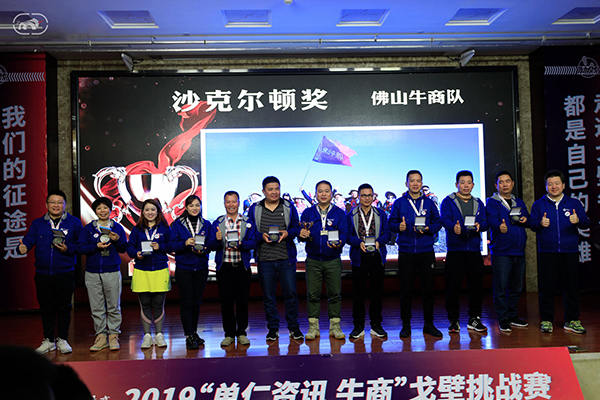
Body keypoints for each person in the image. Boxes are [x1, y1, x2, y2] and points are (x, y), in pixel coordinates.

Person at [19, 190, 82, 354]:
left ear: (65, 205)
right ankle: (48, 340)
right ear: (47, 205)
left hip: (65, 272)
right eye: (52, 202)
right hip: (43, 273)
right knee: (46, 307)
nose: (56, 205)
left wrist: (68, 248)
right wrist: (22, 248)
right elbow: (27, 241)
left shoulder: (74, 223)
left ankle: (62, 339)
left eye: (59, 202)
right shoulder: (38, 224)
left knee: (64, 307)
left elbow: (81, 245)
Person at [529, 169, 590, 334]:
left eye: (557, 183)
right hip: (547, 252)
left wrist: (578, 220)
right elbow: (531, 224)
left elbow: (586, 222)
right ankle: (546, 320)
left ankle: (572, 320)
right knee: (546, 287)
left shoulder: (574, 203)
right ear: (546, 186)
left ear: (563, 185)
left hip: (569, 251)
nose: (554, 186)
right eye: (550, 184)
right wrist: (540, 223)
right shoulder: (539, 204)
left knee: (571, 287)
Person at [248, 176, 303, 342]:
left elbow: (296, 228)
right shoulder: (255, 208)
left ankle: (294, 328)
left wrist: (288, 233)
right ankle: (273, 329)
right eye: (270, 189)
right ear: (263, 191)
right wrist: (260, 236)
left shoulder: (288, 206)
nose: (274, 192)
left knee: (291, 294)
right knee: (268, 296)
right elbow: (250, 230)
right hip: (265, 259)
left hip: (286, 258)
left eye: (277, 188)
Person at [389, 170, 443, 338]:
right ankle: (406, 326)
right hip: (406, 252)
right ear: (406, 183)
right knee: (406, 290)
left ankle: (429, 325)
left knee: (428, 290)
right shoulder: (399, 203)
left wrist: (428, 229)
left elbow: (438, 222)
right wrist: (399, 227)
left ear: (422, 183)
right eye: (411, 180)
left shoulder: (429, 203)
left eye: (418, 180)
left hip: (426, 252)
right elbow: (391, 223)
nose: (415, 183)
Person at [440, 170, 488, 334]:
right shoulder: (448, 201)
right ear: (456, 184)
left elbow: (485, 222)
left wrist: (480, 226)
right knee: (452, 287)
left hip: (474, 251)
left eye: (469, 182)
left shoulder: (478, 202)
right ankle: (453, 320)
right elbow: (444, 219)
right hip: (455, 251)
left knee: (476, 287)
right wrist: (453, 227)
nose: (466, 185)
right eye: (462, 182)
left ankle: (474, 318)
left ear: (473, 185)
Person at [299, 180, 348, 340]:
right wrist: (302, 234)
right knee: (313, 294)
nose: (323, 194)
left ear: (332, 194)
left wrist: (340, 242)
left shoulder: (339, 213)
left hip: (333, 259)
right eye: (320, 191)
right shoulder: (308, 212)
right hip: (313, 260)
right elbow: (302, 232)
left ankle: (335, 327)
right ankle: (313, 328)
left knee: (335, 294)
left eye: (327, 191)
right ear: (315, 194)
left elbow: (344, 234)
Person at [77, 197, 127, 351]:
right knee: (96, 307)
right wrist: (95, 246)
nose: (102, 211)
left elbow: (123, 248)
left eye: (105, 208)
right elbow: (80, 248)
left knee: (113, 306)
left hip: (112, 270)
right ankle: (101, 336)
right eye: (99, 208)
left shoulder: (117, 227)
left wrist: (117, 240)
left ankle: (113, 335)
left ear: (110, 210)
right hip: (92, 272)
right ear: (95, 211)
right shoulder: (88, 229)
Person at [210, 191, 257, 347]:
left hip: (242, 267)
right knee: (226, 303)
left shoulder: (248, 222)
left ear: (238, 202)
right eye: (228, 202)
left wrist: (243, 244)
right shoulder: (218, 222)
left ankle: (242, 332)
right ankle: (229, 334)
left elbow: (254, 242)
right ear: (224, 203)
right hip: (225, 268)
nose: (231, 205)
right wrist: (217, 240)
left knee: (243, 302)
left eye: (234, 201)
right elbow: (211, 245)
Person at [486, 171, 530, 333]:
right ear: (496, 185)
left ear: (512, 183)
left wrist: (525, 219)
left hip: (519, 250)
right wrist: (499, 226)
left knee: (516, 287)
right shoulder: (492, 202)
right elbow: (491, 220)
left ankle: (513, 316)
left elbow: (528, 218)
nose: (505, 184)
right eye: (501, 182)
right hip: (502, 251)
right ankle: (503, 319)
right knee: (501, 287)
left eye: (507, 181)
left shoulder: (518, 201)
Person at [126, 198, 171, 349]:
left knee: (158, 304)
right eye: (147, 210)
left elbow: (172, 246)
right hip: (141, 270)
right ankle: (146, 336)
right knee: (144, 303)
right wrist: (136, 253)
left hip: (160, 270)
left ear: (158, 211)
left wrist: (160, 246)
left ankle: (159, 335)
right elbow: (130, 247)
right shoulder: (137, 229)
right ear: (142, 212)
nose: (150, 212)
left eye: (153, 209)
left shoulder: (164, 228)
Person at [346, 183, 390, 339]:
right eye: (363, 195)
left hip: (376, 257)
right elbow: (347, 236)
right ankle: (358, 327)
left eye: (369, 195)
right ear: (358, 197)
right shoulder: (351, 214)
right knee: (358, 294)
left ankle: (376, 325)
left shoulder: (381, 213)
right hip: (359, 257)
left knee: (376, 294)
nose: (366, 198)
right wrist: (358, 243)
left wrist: (379, 242)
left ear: (373, 197)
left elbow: (387, 234)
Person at [169, 195, 213, 349]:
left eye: (197, 205)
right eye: (191, 205)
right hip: (184, 268)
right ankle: (188, 335)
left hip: (201, 268)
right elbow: (171, 245)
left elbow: (211, 243)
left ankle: (194, 332)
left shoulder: (206, 224)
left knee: (196, 302)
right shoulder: (177, 224)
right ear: (186, 207)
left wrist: (205, 249)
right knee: (187, 302)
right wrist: (185, 243)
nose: (195, 208)